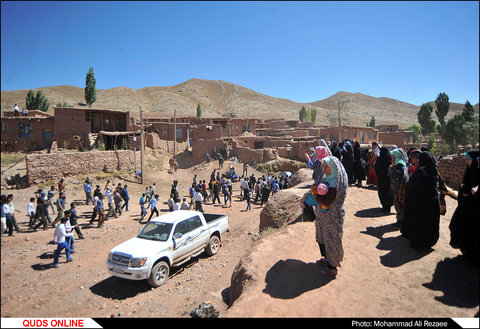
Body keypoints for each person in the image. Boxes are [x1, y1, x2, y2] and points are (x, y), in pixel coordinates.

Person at [306, 156, 348, 277]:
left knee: (332, 239)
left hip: (332, 217)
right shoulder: (328, 178)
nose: (325, 169)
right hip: (323, 218)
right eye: (324, 167)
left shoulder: (336, 182)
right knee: (323, 237)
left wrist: (315, 195)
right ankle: (327, 259)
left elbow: (326, 200)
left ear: (333, 168)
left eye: (327, 167)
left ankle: (332, 267)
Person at [401, 151, 440, 251]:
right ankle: (428, 242)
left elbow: (412, 186)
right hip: (432, 202)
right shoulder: (433, 171)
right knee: (429, 224)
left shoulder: (421, 172)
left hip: (420, 203)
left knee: (419, 223)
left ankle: (418, 243)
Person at [449, 149, 479, 265]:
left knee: (470, 232)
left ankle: (471, 257)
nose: (466, 161)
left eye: (468, 159)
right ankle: (466, 254)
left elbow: (470, 191)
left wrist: (467, 190)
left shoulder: (476, 175)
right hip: (464, 209)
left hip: (472, 212)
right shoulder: (469, 172)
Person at [388, 148, 408, 226]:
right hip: (397, 187)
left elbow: (395, 175)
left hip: (399, 188)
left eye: (393, 155)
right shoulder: (398, 163)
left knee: (399, 204)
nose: (392, 157)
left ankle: (400, 221)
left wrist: (392, 167)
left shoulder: (400, 164)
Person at [374, 147, 394, 213]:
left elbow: (376, 167)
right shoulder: (390, 159)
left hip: (381, 179)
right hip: (389, 180)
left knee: (383, 193)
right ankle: (389, 207)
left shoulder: (380, 159)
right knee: (389, 192)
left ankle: (385, 207)